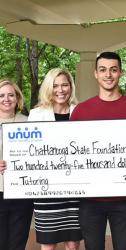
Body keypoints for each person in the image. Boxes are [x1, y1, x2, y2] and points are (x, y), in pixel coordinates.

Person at [70, 51, 126, 250]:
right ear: (95, 74)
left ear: (120, 73)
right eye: (103, 70)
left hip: (124, 200)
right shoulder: (81, 111)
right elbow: (71, 153)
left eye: (113, 70)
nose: (108, 75)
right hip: (89, 200)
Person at [28, 68, 82, 250]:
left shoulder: (80, 112)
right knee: (48, 243)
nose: (60, 90)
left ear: (71, 87)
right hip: (46, 189)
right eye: (55, 85)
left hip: (75, 188)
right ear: (48, 88)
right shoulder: (36, 115)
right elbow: (28, 151)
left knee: (73, 243)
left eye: (64, 85)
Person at [0, 79, 33, 250]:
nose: (6, 99)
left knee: (17, 243)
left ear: (17, 98)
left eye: (11, 95)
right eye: (2, 95)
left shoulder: (29, 122)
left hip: (22, 193)